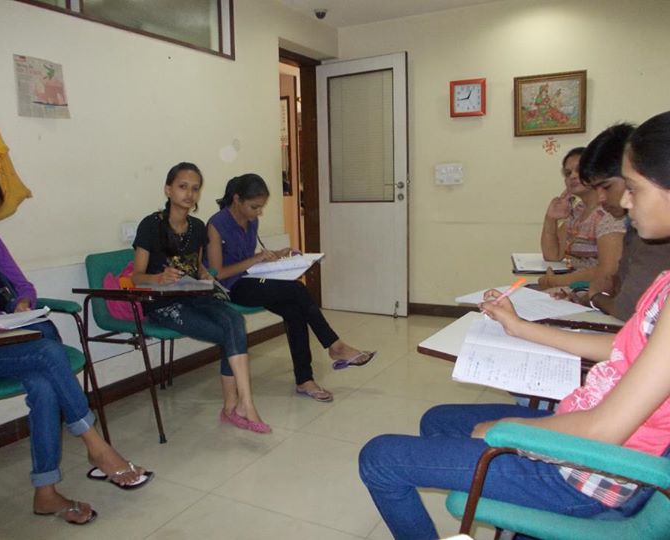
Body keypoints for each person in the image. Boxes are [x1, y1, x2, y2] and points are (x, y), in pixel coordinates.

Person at [359, 111, 670, 540]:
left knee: (379, 459)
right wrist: (520, 326)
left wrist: (511, 432)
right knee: (438, 420)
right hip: (583, 442)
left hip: (588, 476)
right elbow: (625, 348)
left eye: (633, 188)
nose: (626, 202)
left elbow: (604, 430)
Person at [0, 168, 153, 526]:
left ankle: (45, 493)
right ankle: (97, 446)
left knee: (44, 383)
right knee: (49, 352)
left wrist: (22, 305)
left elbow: (22, 285)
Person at [205, 174, 375, 403]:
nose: (259, 213)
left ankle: (305, 380)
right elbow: (218, 273)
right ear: (237, 199)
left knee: (295, 310)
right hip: (230, 288)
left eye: (261, 207)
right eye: (254, 207)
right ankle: (335, 346)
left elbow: (248, 259)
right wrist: (256, 258)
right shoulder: (216, 225)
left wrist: (279, 255)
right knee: (297, 290)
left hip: (252, 280)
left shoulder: (251, 221)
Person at [131, 163, 269, 433]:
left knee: (234, 320)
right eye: (182, 187)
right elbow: (136, 276)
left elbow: (198, 268)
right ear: (168, 190)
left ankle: (239, 405)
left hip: (195, 295)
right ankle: (239, 406)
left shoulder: (197, 227)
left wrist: (206, 276)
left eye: (195, 189)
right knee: (230, 333)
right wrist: (158, 278)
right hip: (162, 303)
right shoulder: (151, 225)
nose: (189, 194)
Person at [574, 123, 670, 321]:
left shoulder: (654, 236)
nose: (600, 198)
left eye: (606, 187)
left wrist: (595, 297)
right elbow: (618, 287)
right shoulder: (637, 228)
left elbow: (628, 310)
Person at [539, 147, 626, 289]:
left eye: (579, 170)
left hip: (594, 291)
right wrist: (550, 219)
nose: (573, 176)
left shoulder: (609, 214)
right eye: (568, 173)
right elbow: (553, 255)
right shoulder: (578, 210)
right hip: (572, 287)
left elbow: (607, 271)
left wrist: (554, 281)